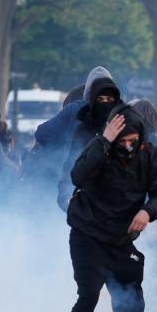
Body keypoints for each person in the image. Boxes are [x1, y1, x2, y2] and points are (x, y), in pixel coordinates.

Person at [47, 104, 157, 312]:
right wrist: (103, 140)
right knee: (88, 294)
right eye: (122, 142)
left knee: (132, 303)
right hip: (87, 235)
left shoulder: (149, 154)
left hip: (121, 240)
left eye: (133, 142)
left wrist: (147, 211)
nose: (127, 147)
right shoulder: (99, 150)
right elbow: (77, 176)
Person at [56, 75, 122, 211]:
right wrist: (65, 198)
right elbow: (70, 168)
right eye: (100, 99)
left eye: (109, 99)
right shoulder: (82, 130)